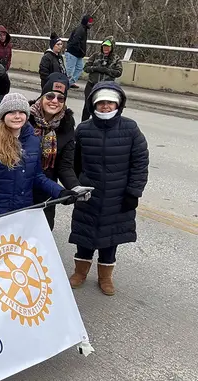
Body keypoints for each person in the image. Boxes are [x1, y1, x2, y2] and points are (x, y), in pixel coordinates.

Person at [69, 83, 148, 296]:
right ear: (94, 104)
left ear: (118, 104)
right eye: (101, 102)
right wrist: (76, 185)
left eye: (109, 102)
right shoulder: (84, 129)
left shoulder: (130, 128)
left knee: (110, 239)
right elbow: (74, 161)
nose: (105, 106)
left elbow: (140, 162)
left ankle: (105, 277)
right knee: (84, 235)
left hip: (118, 196)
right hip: (89, 194)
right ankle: (80, 272)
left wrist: (134, 192)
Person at [0, 93, 79, 220]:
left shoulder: (34, 142)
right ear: (3, 116)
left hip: (23, 213)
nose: (17, 116)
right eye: (11, 112)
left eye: (21, 112)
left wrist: (60, 192)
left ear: (26, 115)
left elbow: (37, 176)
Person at [28, 73, 81, 229]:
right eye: (50, 96)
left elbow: (65, 166)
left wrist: (75, 187)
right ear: (42, 96)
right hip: (19, 188)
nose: (54, 101)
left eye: (60, 98)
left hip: (47, 188)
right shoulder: (24, 117)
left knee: (42, 234)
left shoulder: (66, 125)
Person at [81, 37, 123, 121]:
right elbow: (86, 68)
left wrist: (107, 71)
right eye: (104, 46)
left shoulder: (116, 58)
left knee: (102, 107)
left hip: (106, 88)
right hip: (91, 85)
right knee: (88, 106)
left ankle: (99, 124)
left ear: (112, 47)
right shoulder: (95, 55)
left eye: (108, 47)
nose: (106, 48)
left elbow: (118, 72)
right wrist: (96, 68)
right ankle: (84, 124)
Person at [66, 14, 93, 88]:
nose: (91, 23)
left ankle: (70, 82)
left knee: (79, 68)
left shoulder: (84, 29)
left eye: (91, 22)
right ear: (86, 22)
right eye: (89, 22)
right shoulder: (80, 30)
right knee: (69, 70)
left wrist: (81, 52)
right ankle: (64, 84)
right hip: (72, 53)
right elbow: (75, 42)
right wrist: (80, 50)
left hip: (78, 54)